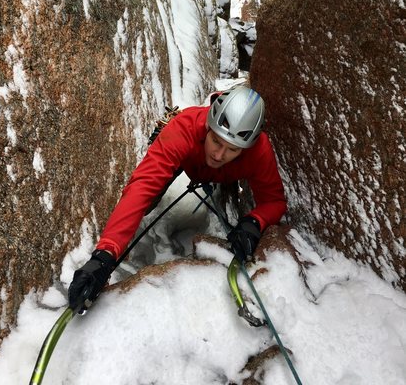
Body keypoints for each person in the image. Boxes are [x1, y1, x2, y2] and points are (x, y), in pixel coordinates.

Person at [68, 86, 287, 311]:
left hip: (220, 174)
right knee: (149, 199)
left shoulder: (259, 151)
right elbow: (142, 188)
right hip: (185, 158)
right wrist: (105, 254)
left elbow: (275, 200)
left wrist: (255, 221)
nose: (219, 154)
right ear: (208, 126)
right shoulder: (185, 127)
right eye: (216, 142)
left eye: (232, 149)